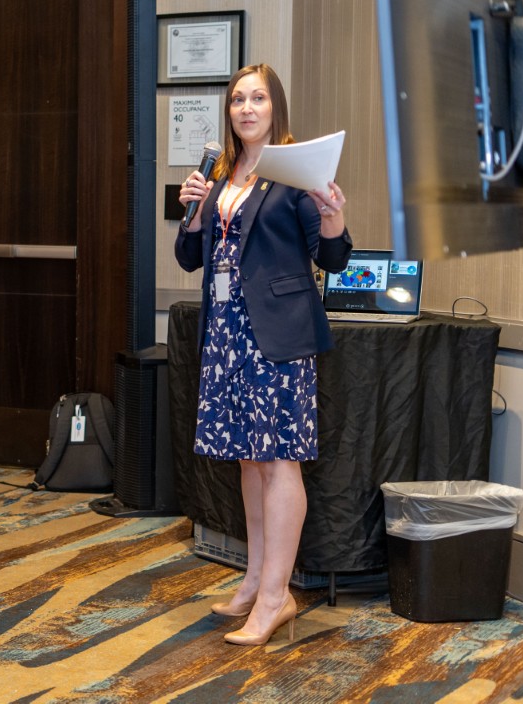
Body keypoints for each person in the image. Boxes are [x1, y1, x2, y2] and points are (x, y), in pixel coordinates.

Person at [174, 64, 353, 646]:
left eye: (257, 98)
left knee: (279, 462)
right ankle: (255, 579)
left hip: (276, 334)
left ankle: (278, 596)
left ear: (276, 106)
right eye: (237, 100)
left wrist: (334, 218)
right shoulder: (220, 173)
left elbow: (332, 258)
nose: (246, 109)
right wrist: (192, 211)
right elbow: (189, 258)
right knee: (249, 460)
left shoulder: (294, 170)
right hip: (226, 332)